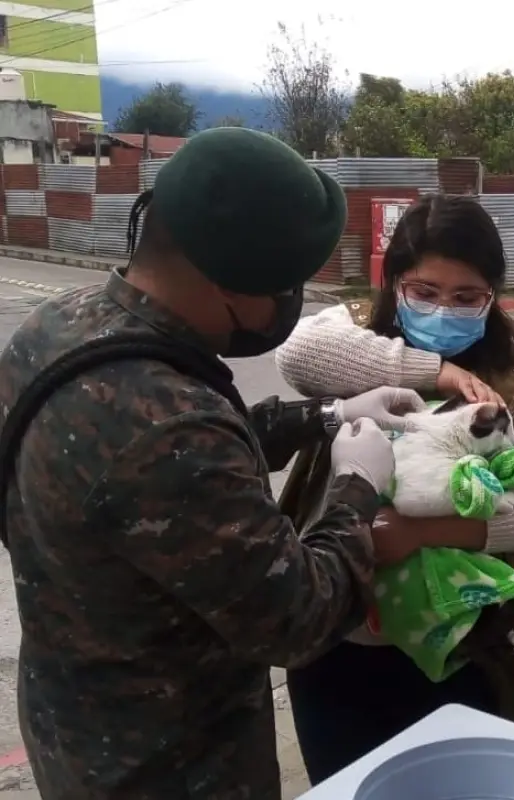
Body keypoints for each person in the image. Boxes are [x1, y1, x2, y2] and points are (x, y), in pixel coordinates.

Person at [0, 127, 427, 799]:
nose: (290, 301)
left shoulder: (57, 329)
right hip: (171, 765)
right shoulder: (169, 422)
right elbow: (299, 616)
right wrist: (357, 487)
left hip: (71, 721)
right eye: (287, 282)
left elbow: (161, 487)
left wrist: (325, 418)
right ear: (231, 278)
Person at [273, 192, 514, 784]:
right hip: (335, 637)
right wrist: (434, 372)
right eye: (425, 292)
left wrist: (418, 533)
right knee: (346, 783)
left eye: (467, 298)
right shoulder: (353, 332)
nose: (444, 310)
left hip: (462, 642)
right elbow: (297, 354)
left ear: (493, 295)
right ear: (394, 284)